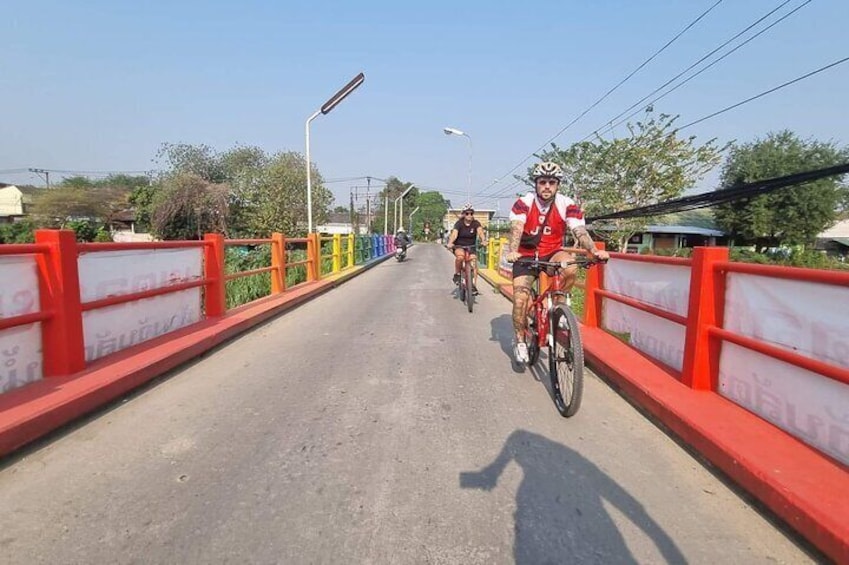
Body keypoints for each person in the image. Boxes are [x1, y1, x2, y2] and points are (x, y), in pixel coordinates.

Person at [506, 161, 609, 364]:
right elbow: (517, 227)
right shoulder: (524, 202)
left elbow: (579, 230)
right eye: (542, 182)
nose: (546, 186)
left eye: (551, 182)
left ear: (557, 185)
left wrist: (594, 250)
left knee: (570, 265)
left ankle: (560, 309)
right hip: (525, 255)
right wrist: (512, 251)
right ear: (535, 184)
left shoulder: (566, 204)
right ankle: (519, 339)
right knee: (520, 300)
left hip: (552, 253)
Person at [447, 204, 487, 294]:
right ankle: (457, 274)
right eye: (467, 213)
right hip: (459, 246)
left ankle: (473, 285)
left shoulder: (476, 223)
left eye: (471, 213)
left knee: (474, 262)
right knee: (460, 257)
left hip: (471, 246)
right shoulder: (459, 223)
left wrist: (484, 240)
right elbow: (454, 234)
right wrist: (450, 243)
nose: (469, 215)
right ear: (463, 214)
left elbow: (480, 232)